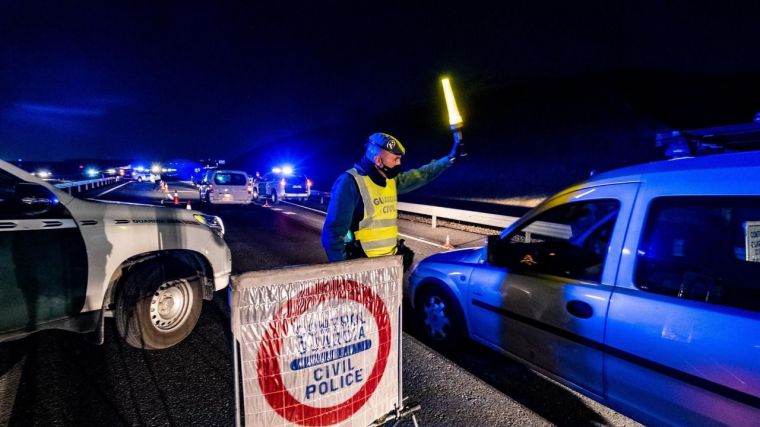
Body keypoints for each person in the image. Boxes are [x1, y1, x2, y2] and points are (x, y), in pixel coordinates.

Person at [321, 132, 462, 269]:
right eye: (396, 159)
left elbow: (422, 175)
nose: (400, 163)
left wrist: (449, 159)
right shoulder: (349, 183)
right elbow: (332, 233)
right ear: (378, 160)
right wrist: (345, 272)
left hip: (389, 266)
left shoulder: (391, 181)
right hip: (362, 268)